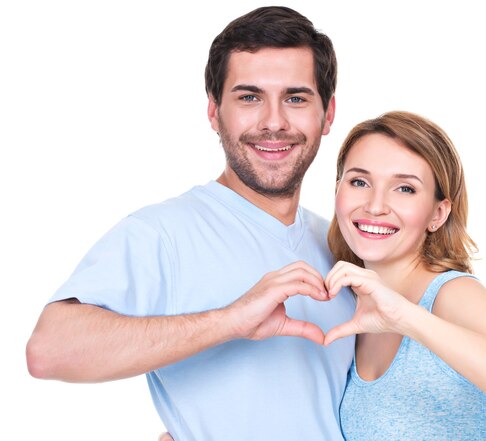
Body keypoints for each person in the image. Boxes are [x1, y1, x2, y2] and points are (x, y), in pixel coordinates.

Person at [25, 6, 355, 440]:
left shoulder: (343, 245)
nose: (274, 122)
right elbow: (48, 351)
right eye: (249, 97)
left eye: (296, 97)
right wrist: (231, 320)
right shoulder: (162, 233)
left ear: (327, 114)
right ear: (214, 111)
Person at [321, 110, 486, 439]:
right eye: (360, 182)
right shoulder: (354, 302)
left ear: (438, 213)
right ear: (337, 189)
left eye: (405, 189)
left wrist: (406, 317)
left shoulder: (452, 294)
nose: (375, 205)